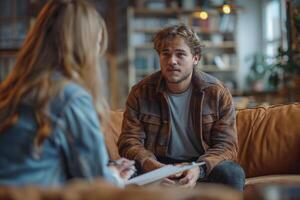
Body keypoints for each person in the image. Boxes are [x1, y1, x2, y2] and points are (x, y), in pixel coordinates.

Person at [0, 0, 135, 187]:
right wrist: (114, 178)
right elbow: (96, 186)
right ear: (85, 48)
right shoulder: (70, 98)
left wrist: (108, 172)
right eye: (97, 43)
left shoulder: (11, 90)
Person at [118, 24, 245, 190]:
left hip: (200, 163)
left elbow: (227, 146)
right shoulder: (140, 92)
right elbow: (129, 141)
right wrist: (153, 167)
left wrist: (198, 169)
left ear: (195, 58)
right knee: (120, 172)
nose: (172, 61)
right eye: (166, 54)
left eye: (180, 54)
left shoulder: (217, 93)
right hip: (156, 161)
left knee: (232, 173)